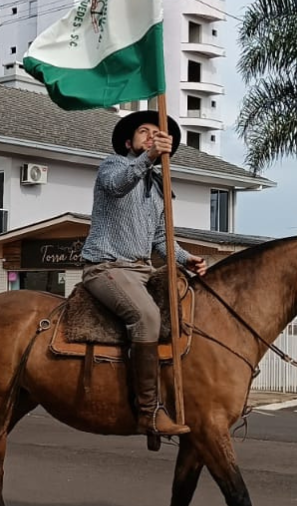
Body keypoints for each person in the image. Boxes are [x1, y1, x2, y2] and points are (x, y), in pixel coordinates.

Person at [80, 110, 208, 437]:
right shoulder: (113, 165)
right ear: (128, 142)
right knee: (148, 317)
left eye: (157, 132)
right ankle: (148, 412)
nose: (151, 136)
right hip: (106, 267)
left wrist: (185, 259)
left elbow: (160, 239)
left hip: (142, 270)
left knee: (190, 304)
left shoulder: (159, 186)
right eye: (143, 132)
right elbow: (118, 186)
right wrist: (149, 157)